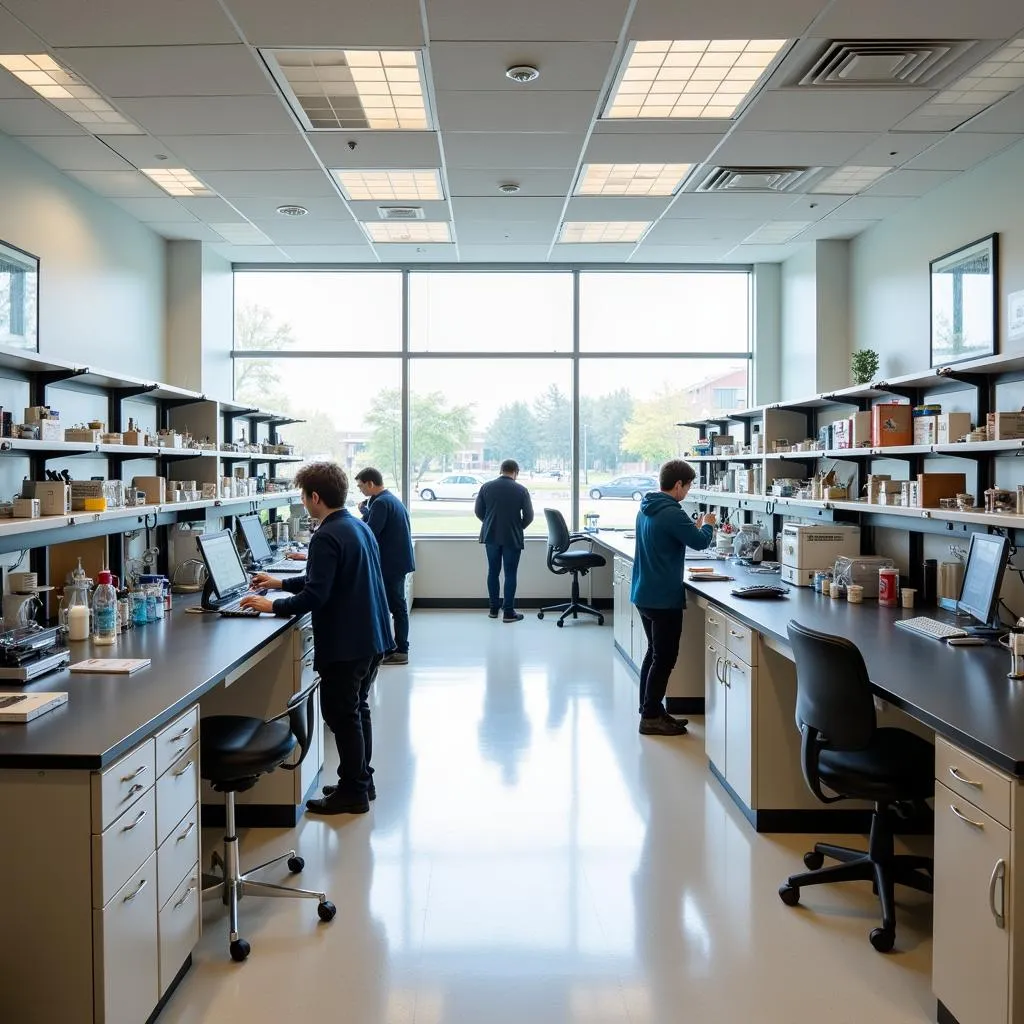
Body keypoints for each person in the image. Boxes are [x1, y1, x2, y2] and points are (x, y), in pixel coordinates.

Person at [242, 461, 393, 815]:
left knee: (343, 715)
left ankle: (352, 792)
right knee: (357, 710)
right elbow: (323, 579)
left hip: (348, 642)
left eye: (303, 497)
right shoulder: (355, 526)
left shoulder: (326, 534)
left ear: (314, 497)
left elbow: (315, 597)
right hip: (372, 637)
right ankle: (360, 781)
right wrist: (279, 583)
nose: (304, 502)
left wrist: (272, 605)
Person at [630, 459, 716, 737]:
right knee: (665, 658)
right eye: (688, 486)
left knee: (654, 653)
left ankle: (649, 709)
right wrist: (708, 525)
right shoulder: (671, 512)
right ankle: (651, 717)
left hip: (644, 592)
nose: (688, 492)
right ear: (678, 484)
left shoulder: (647, 507)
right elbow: (701, 542)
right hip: (662, 596)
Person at [354, 466, 416, 665]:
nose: (361, 490)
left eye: (361, 486)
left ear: (370, 483)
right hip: (397, 562)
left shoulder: (381, 503)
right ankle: (391, 647)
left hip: (392, 564)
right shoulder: (388, 499)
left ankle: (401, 651)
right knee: (394, 606)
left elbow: (370, 533)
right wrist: (365, 511)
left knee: (396, 607)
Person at [474, 459, 534, 623]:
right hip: (512, 537)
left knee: (493, 572)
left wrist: (490, 523)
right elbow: (529, 516)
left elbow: (479, 512)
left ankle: (493, 609)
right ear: (516, 472)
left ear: (501, 470)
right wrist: (517, 526)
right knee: (510, 573)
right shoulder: (521, 490)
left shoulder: (486, 487)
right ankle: (508, 612)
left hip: (491, 536)